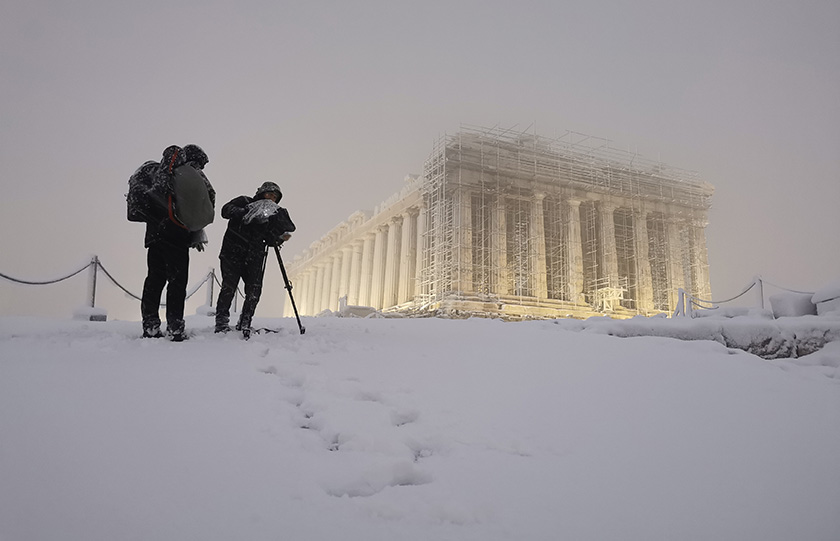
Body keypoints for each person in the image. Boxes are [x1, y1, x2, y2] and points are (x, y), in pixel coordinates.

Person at [140, 144, 215, 341]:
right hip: (176, 235)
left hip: (155, 234)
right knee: (177, 282)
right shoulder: (189, 175)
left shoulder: (160, 173)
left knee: (154, 279)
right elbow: (207, 202)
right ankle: (175, 326)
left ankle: (150, 325)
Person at [215, 181, 296, 339]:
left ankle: (245, 321)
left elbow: (272, 238)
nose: (271, 198)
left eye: (275, 197)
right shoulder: (244, 201)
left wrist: (279, 237)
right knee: (228, 287)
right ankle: (221, 322)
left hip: (255, 256)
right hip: (233, 252)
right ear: (261, 193)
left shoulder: (272, 214)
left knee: (254, 291)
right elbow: (225, 210)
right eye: (269, 194)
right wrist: (246, 212)